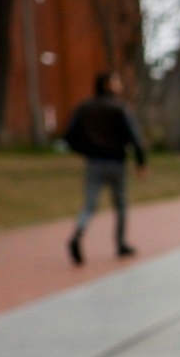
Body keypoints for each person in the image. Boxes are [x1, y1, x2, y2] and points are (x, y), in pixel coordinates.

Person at [62, 72, 147, 266]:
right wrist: (141, 161)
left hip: (94, 162)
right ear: (108, 85)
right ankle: (120, 243)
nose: (119, 84)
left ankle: (78, 233)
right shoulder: (119, 108)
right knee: (121, 205)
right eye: (116, 81)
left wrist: (86, 150)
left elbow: (69, 136)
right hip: (116, 161)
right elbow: (135, 136)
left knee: (89, 204)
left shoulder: (84, 107)